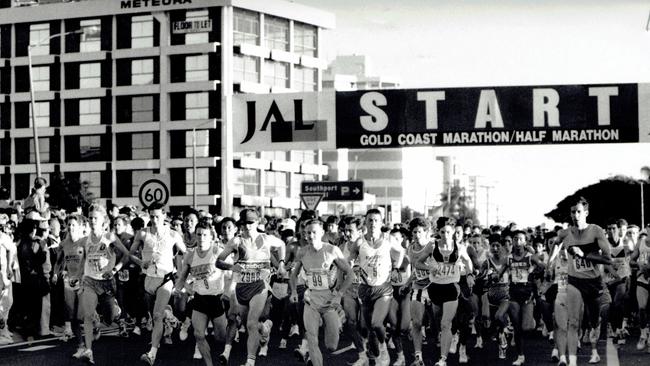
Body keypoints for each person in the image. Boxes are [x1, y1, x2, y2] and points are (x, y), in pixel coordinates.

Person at [216, 208, 286, 366]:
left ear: (257, 222)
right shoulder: (236, 241)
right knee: (251, 325)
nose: (247, 226)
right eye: (244, 222)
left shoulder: (266, 239)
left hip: (260, 286)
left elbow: (281, 245)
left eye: (251, 222)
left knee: (250, 323)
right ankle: (265, 328)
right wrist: (231, 267)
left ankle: (250, 362)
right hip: (242, 287)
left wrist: (281, 264)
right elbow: (218, 261)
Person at [556, 197, 612, 366]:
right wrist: (550, 262)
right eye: (573, 212)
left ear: (586, 213)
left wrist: (583, 254)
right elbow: (556, 243)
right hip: (574, 281)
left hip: (593, 282)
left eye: (579, 211)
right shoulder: (566, 233)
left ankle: (594, 343)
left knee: (593, 319)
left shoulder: (596, 231)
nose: (576, 215)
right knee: (573, 321)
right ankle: (572, 361)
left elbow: (608, 259)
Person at [289, 219, 354, 366]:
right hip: (310, 300)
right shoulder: (302, 252)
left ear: (322, 233)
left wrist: (339, 294)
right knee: (312, 339)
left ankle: (315, 354)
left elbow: (350, 274)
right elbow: (293, 274)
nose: (310, 236)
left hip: (329, 301)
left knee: (331, 346)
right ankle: (314, 359)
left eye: (314, 232)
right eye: (307, 233)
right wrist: (293, 291)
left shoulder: (331, 250)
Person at [129, 203, 187, 365]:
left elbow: (186, 253)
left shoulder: (173, 234)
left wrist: (183, 273)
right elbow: (130, 254)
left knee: (156, 315)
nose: (154, 220)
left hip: (166, 279)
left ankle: (152, 353)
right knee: (155, 317)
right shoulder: (142, 234)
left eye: (157, 216)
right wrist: (141, 262)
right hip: (148, 281)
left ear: (164, 216)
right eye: (152, 216)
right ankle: (171, 320)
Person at [346, 208, 405, 366]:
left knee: (376, 323)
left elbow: (401, 251)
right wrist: (351, 264)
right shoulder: (360, 242)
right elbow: (350, 259)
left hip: (383, 289)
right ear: (365, 222)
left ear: (381, 223)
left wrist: (396, 267)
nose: (373, 223)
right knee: (367, 328)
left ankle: (384, 350)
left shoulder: (388, 239)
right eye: (370, 220)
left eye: (376, 220)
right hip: (365, 289)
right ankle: (375, 354)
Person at [415, 221, 473, 366]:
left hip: (451, 288)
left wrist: (470, 274)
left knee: (445, 323)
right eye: (442, 232)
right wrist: (430, 268)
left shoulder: (459, 247)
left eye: (448, 232)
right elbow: (418, 263)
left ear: (453, 232)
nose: (445, 235)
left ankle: (443, 360)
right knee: (437, 321)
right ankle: (446, 338)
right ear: (438, 233)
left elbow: (467, 261)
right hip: (435, 288)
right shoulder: (432, 246)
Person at [78, 204, 130, 364]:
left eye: (96, 218)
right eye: (91, 218)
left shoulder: (109, 238)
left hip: (107, 283)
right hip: (90, 281)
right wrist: (79, 277)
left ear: (103, 221)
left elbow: (126, 255)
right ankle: (89, 351)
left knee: (109, 318)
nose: (93, 221)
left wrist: (114, 270)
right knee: (87, 315)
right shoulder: (85, 239)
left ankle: (115, 312)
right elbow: (83, 260)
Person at [174, 221, 226, 366]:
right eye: (199, 234)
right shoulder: (190, 256)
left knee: (220, 338)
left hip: (216, 299)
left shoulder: (217, 251)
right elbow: (182, 276)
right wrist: (178, 289)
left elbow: (231, 272)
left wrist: (229, 291)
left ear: (211, 237)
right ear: (195, 236)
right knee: (198, 334)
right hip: (200, 298)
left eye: (205, 235)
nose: (201, 238)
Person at [53, 214, 86, 355]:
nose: (71, 227)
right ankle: (80, 346)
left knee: (83, 314)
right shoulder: (64, 243)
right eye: (69, 225)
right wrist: (55, 273)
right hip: (70, 281)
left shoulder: (85, 242)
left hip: (85, 281)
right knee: (73, 316)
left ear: (79, 227)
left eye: (74, 225)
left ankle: (95, 321)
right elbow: (59, 261)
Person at [339, 216, 368, 366]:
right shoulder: (342, 246)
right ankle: (362, 355)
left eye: (350, 230)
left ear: (360, 231)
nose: (347, 234)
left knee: (364, 325)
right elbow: (339, 269)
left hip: (365, 288)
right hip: (349, 288)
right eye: (345, 231)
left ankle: (374, 350)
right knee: (351, 323)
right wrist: (338, 290)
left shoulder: (366, 245)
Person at [630, 232, 650, 351]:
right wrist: (639, 264)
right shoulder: (641, 243)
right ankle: (643, 334)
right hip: (642, 279)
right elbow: (631, 260)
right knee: (642, 308)